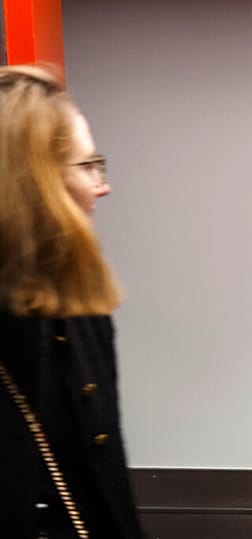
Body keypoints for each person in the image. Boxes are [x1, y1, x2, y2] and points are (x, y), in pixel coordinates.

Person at [0, 65, 143, 538]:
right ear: (32, 184)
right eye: (86, 166)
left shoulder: (82, 305)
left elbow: (106, 486)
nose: (102, 186)